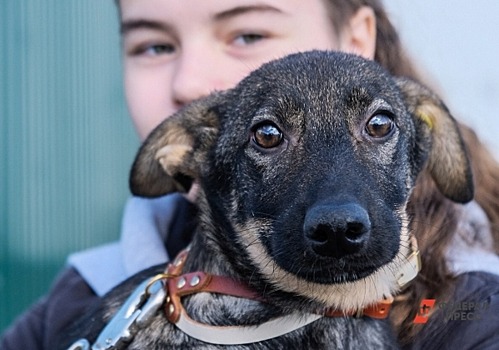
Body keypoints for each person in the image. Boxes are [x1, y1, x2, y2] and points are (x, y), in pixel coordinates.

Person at [2, 0, 499, 349]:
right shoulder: (76, 299)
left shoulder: (473, 317)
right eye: (154, 45)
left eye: (248, 34)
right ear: (183, 153)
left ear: (356, 38)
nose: (190, 81)